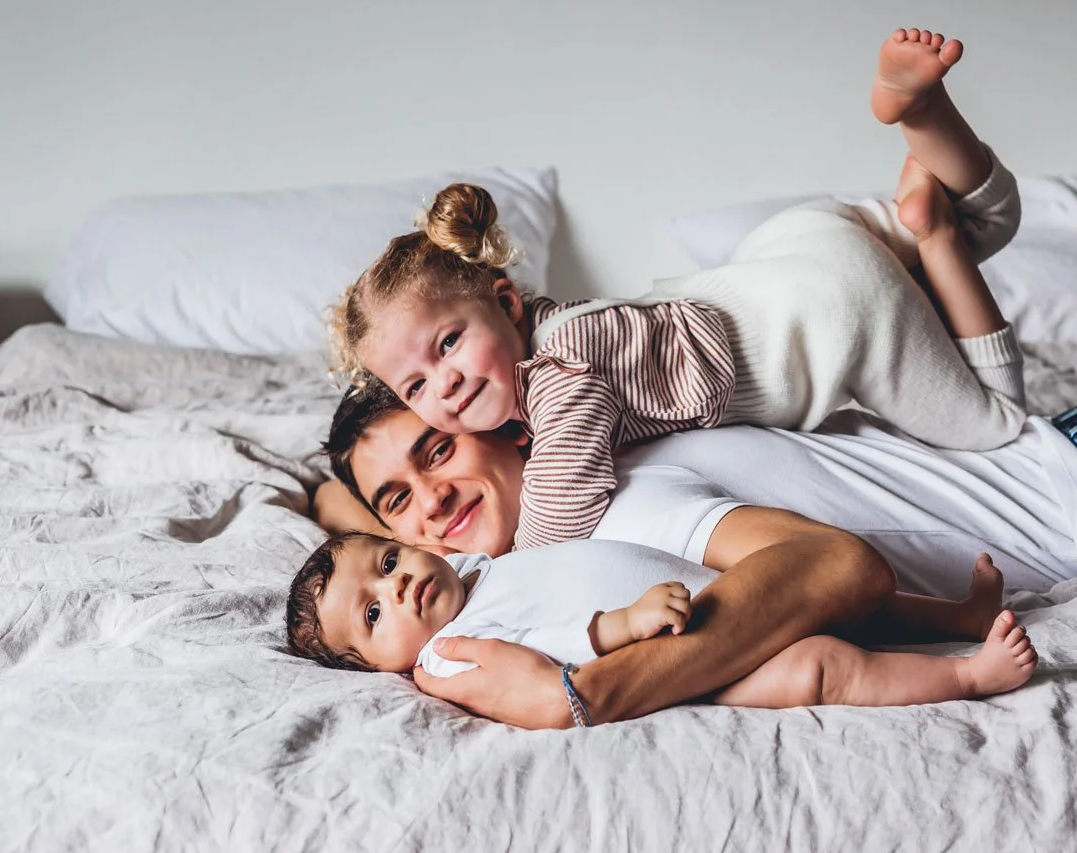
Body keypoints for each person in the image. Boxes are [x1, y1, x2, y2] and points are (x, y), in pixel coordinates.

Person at [314, 367, 1077, 729]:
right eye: (397, 503)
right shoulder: (564, 525)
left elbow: (836, 569)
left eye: (435, 451)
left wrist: (594, 689)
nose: (431, 501)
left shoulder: (625, 504)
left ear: (497, 419)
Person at [326, 28, 1028, 549]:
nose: (443, 387)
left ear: (507, 302)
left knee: (996, 424)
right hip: (792, 248)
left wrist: (513, 566)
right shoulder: (558, 325)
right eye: (416, 388)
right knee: (987, 224)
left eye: (448, 345)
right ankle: (925, 119)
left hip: (839, 317)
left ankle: (932, 226)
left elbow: (562, 507)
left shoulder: (561, 378)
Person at [284, 534, 1038, 713]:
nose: (400, 584)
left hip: (706, 602)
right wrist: (625, 623)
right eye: (375, 614)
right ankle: (967, 674)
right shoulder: (444, 657)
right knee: (826, 662)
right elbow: (550, 661)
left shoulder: (477, 567)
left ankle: (958, 616)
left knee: (841, 597)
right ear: (376, 666)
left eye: (386, 561)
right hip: (690, 661)